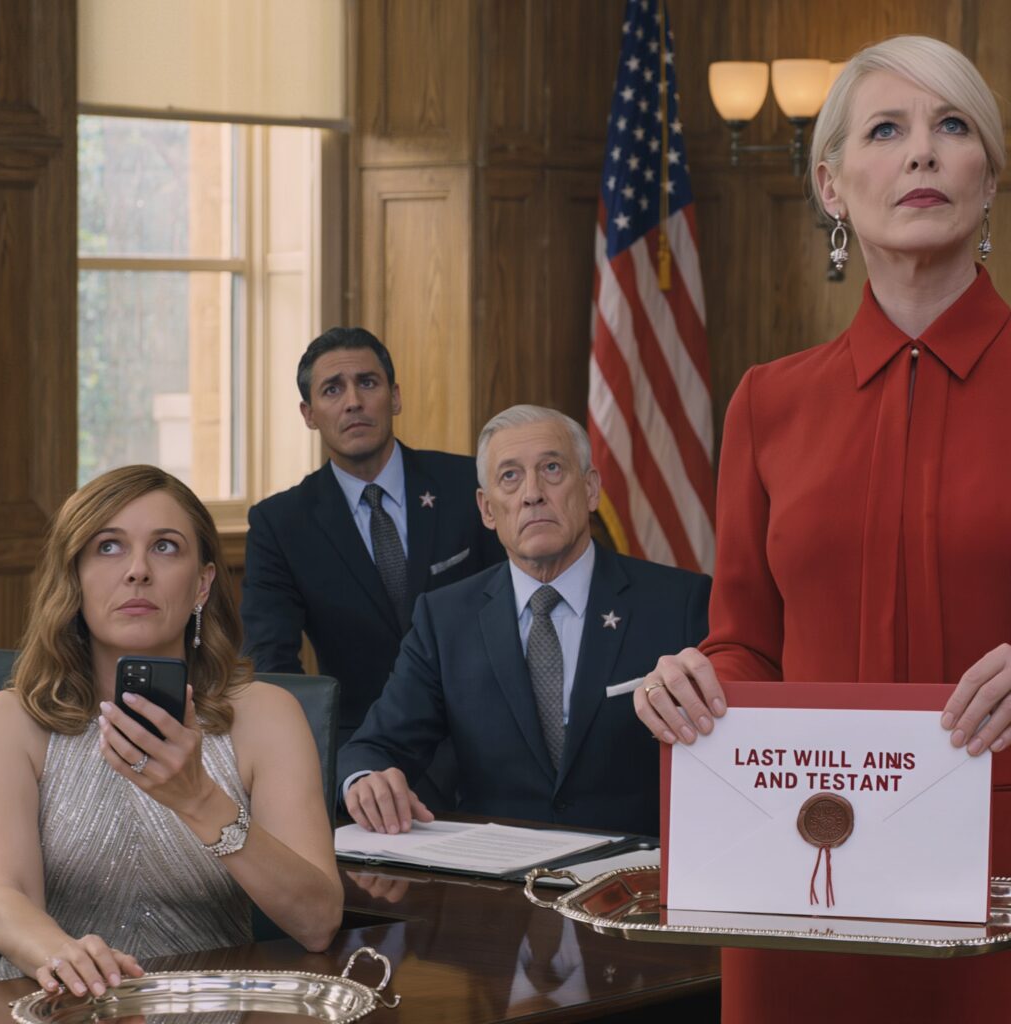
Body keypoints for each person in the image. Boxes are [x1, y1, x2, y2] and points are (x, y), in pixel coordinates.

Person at [634, 35, 1011, 1023]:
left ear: (988, 178)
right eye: (885, 130)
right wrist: (695, 684)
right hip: (797, 878)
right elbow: (746, 643)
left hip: (999, 875)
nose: (921, 151)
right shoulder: (768, 402)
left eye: (952, 126)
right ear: (832, 186)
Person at [0, 466, 343, 990]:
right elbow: (2, 897)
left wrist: (198, 798)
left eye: (165, 547)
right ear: (74, 579)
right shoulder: (11, 719)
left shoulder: (268, 716)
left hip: (213, 1008)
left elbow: (318, 923)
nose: (138, 571)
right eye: (108, 547)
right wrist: (64, 955)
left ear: (202, 583)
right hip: (62, 1005)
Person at [339, 405, 710, 837]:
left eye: (552, 468)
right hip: (496, 870)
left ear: (591, 489)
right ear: (487, 509)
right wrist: (365, 779)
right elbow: (375, 746)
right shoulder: (445, 619)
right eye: (510, 476)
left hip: (637, 867)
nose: (532, 493)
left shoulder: (679, 603)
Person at [240, 327, 504, 755]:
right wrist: (317, 759)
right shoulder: (281, 523)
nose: (353, 402)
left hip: (483, 740)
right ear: (309, 414)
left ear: (394, 397)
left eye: (367, 382)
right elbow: (271, 663)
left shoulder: (468, 486)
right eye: (332, 389)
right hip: (358, 750)